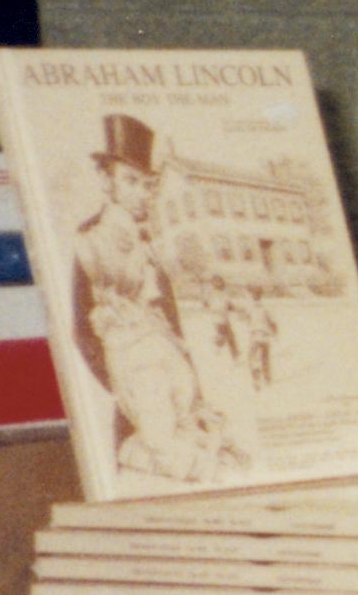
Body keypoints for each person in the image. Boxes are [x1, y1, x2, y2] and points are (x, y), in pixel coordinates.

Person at [66, 111, 238, 483]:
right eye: (130, 181)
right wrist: (130, 388)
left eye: (147, 185)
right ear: (105, 182)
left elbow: (169, 316)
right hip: (139, 392)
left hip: (172, 384)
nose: (141, 194)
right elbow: (82, 327)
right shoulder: (90, 241)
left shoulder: (149, 241)